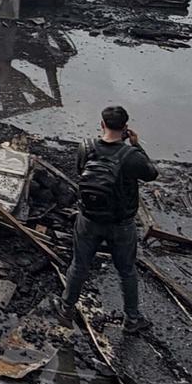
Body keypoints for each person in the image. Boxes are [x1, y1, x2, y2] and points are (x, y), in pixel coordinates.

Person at [53, 105, 158, 334]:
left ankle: (66, 308)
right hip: (121, 224)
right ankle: (132, 318)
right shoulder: (131, 156)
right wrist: (136, 145)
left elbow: (81, 172)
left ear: (102, 124)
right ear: (125, 128)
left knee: (79, 266)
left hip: (88, 219)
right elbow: (151, 174)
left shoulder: (85, 147)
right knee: (126, 271)